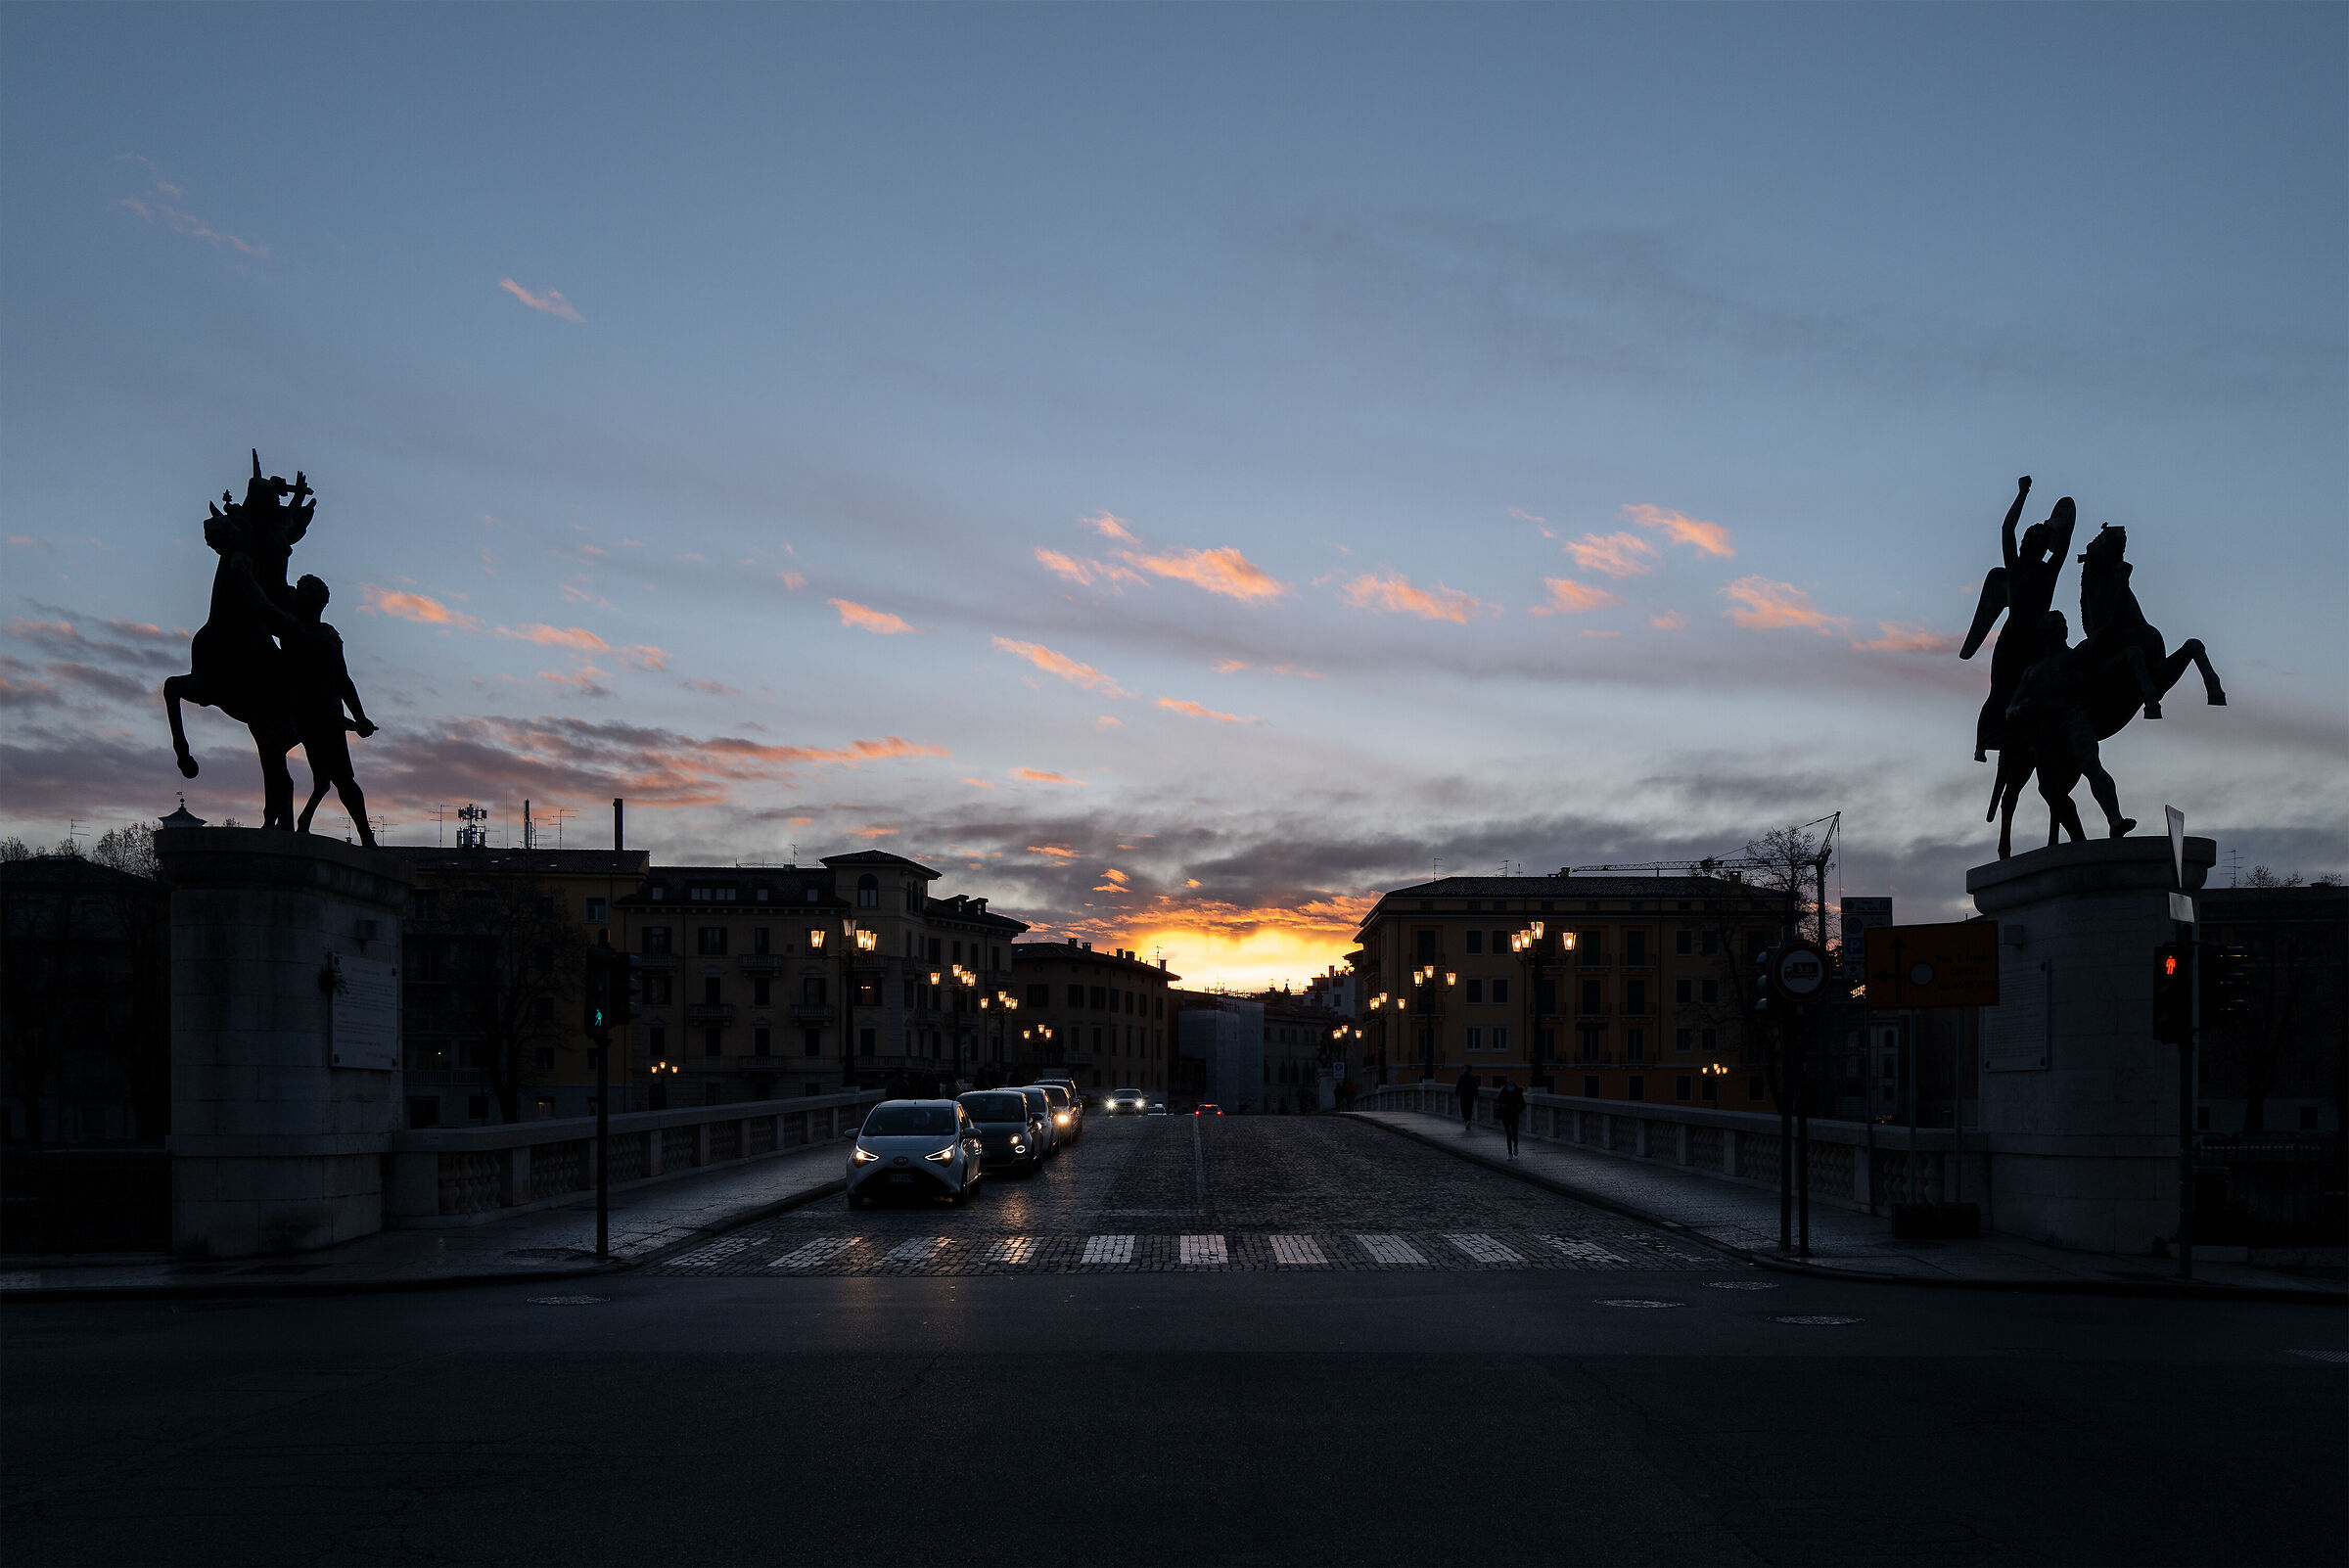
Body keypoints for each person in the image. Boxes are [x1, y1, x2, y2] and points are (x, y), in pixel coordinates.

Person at [284, 576, 379, 848]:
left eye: (306, 596)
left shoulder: (327, 637)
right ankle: (362, 837)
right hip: (300, 712)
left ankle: (365, 836)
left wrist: (360, 717)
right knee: (332, 779)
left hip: (326, 716)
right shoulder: (290, 628)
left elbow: (344, 680)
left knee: (338, 779)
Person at [1495, 1079, 1526, 1158]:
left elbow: (1523, 1105)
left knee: (1514, 1134)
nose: (1510, 1087)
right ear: (1506, 1086)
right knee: (1508, 1134)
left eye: (1512, 1086)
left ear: (1514, 1086)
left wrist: (1518, 1111)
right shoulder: (1503, 1093)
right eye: (1509, 1086)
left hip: (1514, 1115)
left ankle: (1515, 1145)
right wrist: (1502, 1105)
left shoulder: (1518, 1093)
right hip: (1505, 1116)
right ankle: (1510, 1153)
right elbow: (1498, 1102)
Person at [1456, 1067, 1480, 1132]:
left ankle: (1466, 1120)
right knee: (1469, 1109)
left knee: (1463, 1108)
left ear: (1466, 1069)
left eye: (1464, 1068)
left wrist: (1457, 1092)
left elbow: (1458, 1085)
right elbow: (1476, 1087)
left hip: (1463, 1095)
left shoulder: (1462, 1076)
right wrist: (1476, 1095)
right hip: (1470, 1096)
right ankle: (1468, 1120)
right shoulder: (1473, 1077)